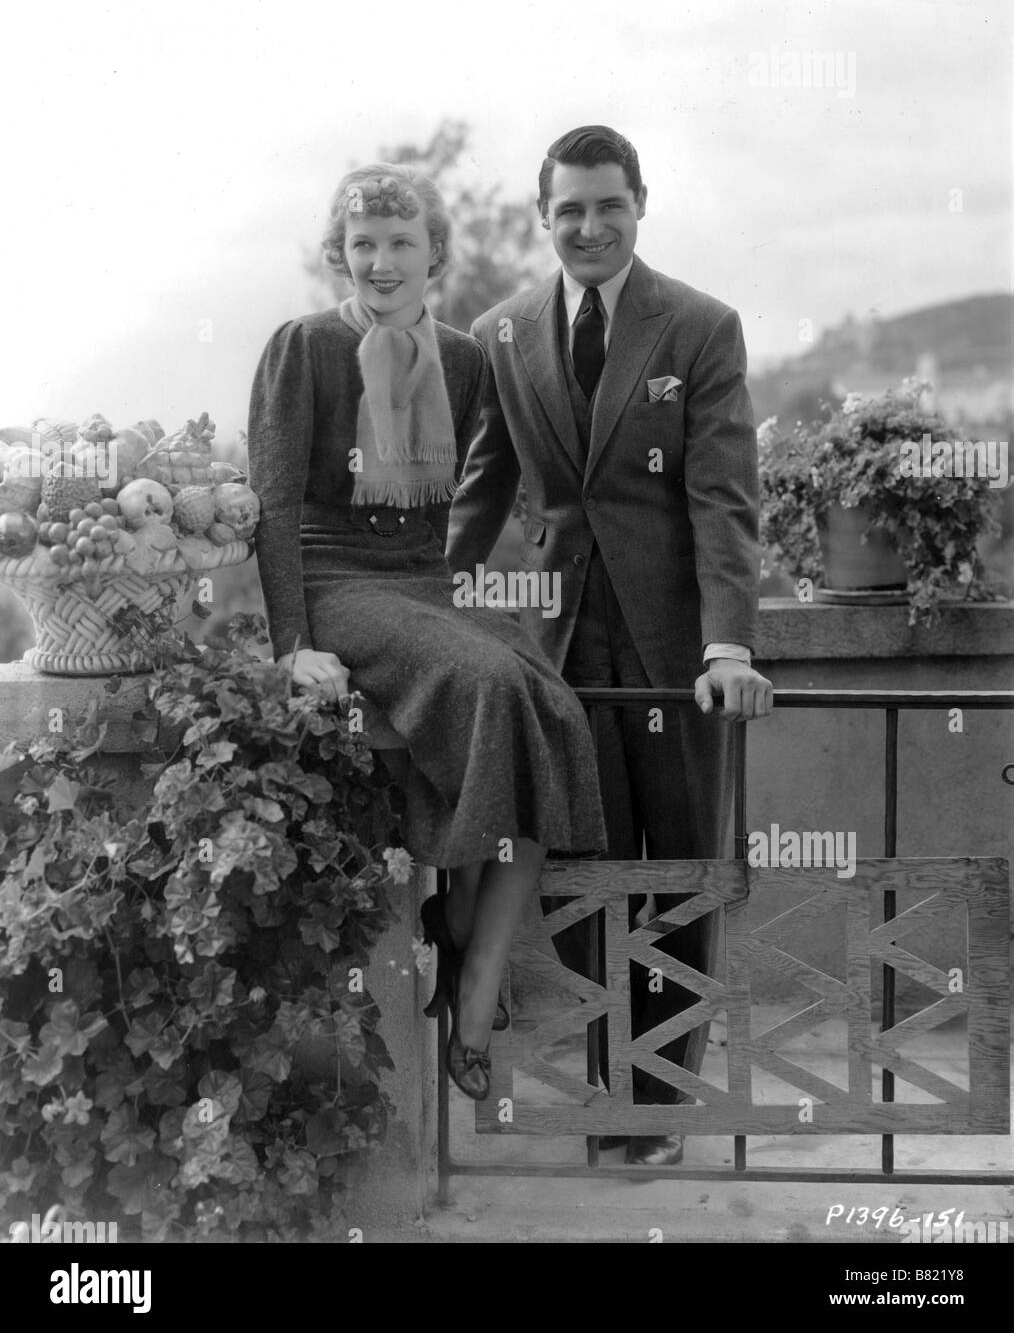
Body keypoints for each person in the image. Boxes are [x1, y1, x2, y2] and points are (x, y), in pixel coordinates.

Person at [446, 125, 774, 1165]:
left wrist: (728, 645)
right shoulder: (500, 333)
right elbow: (479, 490)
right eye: (569, 210)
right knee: (582, 868)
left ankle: (663, 1100)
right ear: (546, 218)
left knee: (674, 868)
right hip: (559, 650)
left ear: (640, 204)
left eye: (608, 205)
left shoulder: (700, 327)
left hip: (677, 652)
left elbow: (726, 501)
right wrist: (415, 601)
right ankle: (609, 1085)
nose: (589, 226)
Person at [247, 163, 606, 1103]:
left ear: (433, 254)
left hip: (424, 580)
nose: (381, 261)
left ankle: (473, 968)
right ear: (342, 254)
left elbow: (478, 494)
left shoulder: (463, 357)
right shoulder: (304, 348)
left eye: (401, 243)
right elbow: (274, 506)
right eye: (362, 245)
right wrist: (293, 645)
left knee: (548, 700)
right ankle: (453, 928)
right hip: (336, 580)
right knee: (486, 679)